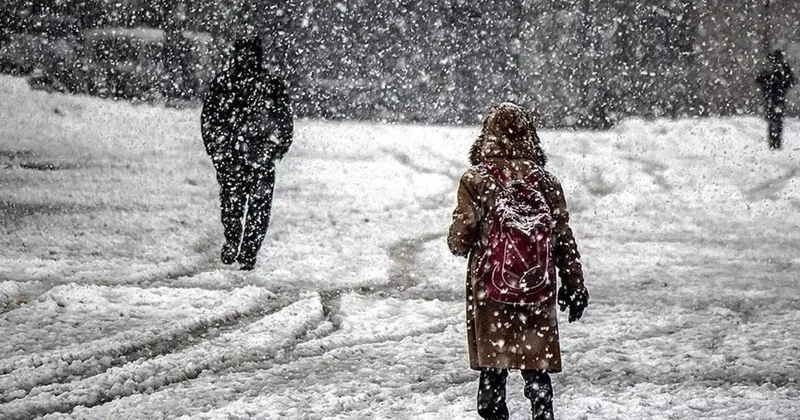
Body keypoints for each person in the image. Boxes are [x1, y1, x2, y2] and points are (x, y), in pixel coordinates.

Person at [448, 103, 588, 420]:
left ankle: (494, 408)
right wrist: (574, 284)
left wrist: (459, 241)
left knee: (493, 367)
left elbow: (462, 235)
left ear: (487, 137)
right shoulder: (546, 182)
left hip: (491, 288)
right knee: (535, 366)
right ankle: (542, 410)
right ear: (529, 137)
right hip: (536, 286)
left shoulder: (476, 180)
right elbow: (563, 238)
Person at [201, 36, 293, 270]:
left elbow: (284, 121)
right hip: (246, 155)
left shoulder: (230, 83)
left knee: (241, 205)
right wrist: (218, 149)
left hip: (247, 155)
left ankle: (242, 248)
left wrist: (217, 148)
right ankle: (240, 246)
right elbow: (210, 119)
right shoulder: (263, 84)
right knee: (246, 206)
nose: (247, 60)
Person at [757, 50, 795, 149]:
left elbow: (790, 81)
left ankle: (774, 141)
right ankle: (774, 141)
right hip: (775, 97)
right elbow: (760, 79)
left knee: (775, 120)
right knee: (775, 120)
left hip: (775, 97)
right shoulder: (777, 69)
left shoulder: (779, 69)